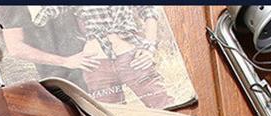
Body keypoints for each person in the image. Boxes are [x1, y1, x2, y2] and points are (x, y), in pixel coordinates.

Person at [34, 6, 173, 108]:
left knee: (163, 105)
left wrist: (149, 47)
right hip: (96, 64)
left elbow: (149, 10)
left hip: (132, 57)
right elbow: (40, 18)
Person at [0, 5, 96, 89]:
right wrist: (65, 61)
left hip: (86, 64)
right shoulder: (13, 7)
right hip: (57, 77)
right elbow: (16, 48)